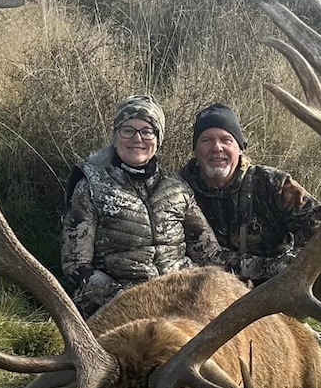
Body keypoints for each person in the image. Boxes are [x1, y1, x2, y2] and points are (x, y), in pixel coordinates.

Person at [180, 103, 321, 388]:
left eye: (225, 140)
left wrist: (295, 265)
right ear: (195, 149)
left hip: (280, 293)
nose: (216, 148)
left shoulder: (271, 183)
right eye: (206, 140)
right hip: (221, 302)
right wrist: (277, 265)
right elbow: (206, 257)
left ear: (240, 147)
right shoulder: (182, 190)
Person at [61, 95, 233, 317]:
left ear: (158, 138)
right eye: (128, 130)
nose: (137, 138)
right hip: (118, 309)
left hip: (182, 305)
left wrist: (271, 267)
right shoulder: (90, 186)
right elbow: (75, 266)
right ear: (116, 136)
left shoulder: (177, 188)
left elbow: (210, 255)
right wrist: (128, 298)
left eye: (147, 131)